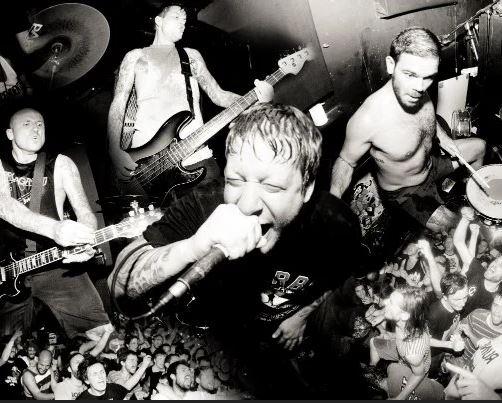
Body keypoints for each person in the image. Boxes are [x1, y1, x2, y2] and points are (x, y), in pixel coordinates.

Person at [109, 103, 362, 397]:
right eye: (235, 181)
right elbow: (120, 283)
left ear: (306, 189)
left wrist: (301, 317)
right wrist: (194, 246)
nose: (246, 204)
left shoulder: (336, 226)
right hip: (239, 339)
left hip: (302, 325)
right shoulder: (204, 205)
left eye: (272, 187)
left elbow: (332, 279)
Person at [330, 27, 486, 232]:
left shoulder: (417, 90)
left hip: (431, 164)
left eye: (428, 77)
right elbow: (345, 161)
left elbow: (427, 121)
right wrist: (332, 203)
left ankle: (474, 194)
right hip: (406, 191)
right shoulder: (367, 119)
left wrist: (444, 138)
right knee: (457, 226)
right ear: (391, 65)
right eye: (410, 74)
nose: (420, 87)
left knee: (480, 147)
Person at [107, 1, 273, 194]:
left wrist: (257, 100)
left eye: (184, 20)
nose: (182, 23)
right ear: (159, 20)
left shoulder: (191, 57)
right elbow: (119, 103)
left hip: (195, 158)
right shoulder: (135, 57)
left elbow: (219, 95)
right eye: (176, 17)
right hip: (146, 167)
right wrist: (114, 150)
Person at [0, 107, 112, 341]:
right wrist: (54, 229)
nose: (36, 129)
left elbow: (85, 213)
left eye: (40, 124)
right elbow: (5, 207)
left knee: (103, 335)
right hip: (5, 271)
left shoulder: (61, 163)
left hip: (56, 263)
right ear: (10, 133)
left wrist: (86, 241)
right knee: (7, 345)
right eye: (27, 124)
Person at [369, 286, 464, 400]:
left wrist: (400, 398)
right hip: (401, 348)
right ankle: (372, 371)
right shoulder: (411, 320)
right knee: (373, 342)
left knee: (388, 385)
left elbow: (418, 374)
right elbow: (426, 339)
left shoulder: (413, 353)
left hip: (411, 366)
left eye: (391, 303)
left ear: (404, 315)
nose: (385, 302)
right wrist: (449, 344)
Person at [453, 207, 502, 316]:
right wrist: (465, 219)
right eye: (496, 261)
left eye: (501, 265)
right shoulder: (477, 270)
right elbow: (459, 242)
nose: (494, 264)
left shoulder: (497, 302)